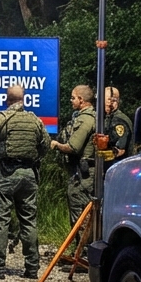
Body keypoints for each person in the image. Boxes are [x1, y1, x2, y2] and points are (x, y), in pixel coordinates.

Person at [0, 85, 49, 279]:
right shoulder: (35, 121)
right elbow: (45, 147)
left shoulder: (0, 119)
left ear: (7, 100)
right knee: (29, 221)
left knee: (1, 222)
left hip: (5, 176)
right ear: (23, 100)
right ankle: (32, 268)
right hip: (29, 176)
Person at [51, 84, 97, 227]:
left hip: (83, 176)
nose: (71, 101)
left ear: (81, 100)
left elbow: (73, 147)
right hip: (83, 173)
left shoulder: (86, 120)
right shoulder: (90, 117)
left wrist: (56, 145)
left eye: (73, 98)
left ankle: (81, 248)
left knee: (79, 211)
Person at [104, 87, 132, 165]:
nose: (108, 103)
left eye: (111, 100)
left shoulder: (118, 121)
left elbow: (119, 150)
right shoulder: (109, 118)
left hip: (118, 166)